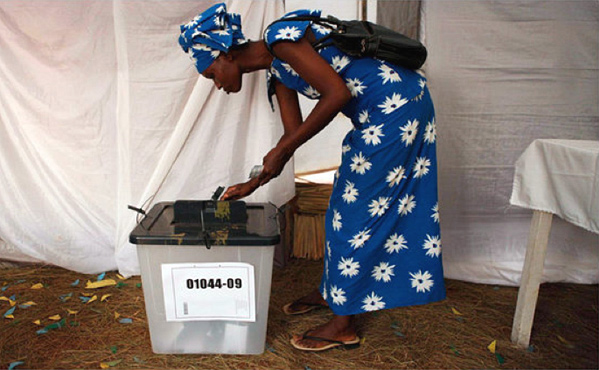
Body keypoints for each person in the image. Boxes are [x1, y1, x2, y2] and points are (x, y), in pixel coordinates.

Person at [179, 3, 446, 352]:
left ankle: (343, 324)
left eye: (211, 74)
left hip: (398, 109)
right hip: (379, 115)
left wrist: (280, 149)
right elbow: (292, 136)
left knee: (355, 215)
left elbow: (337, 94)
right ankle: (333, 290)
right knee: (341, 208)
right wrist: (254, 182)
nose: (217, 85)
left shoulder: (281, 39)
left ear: (225, 55)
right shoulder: (277, 69)